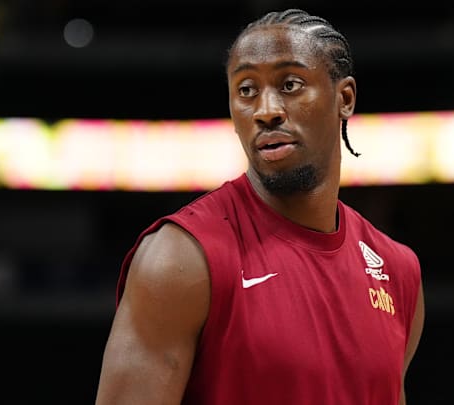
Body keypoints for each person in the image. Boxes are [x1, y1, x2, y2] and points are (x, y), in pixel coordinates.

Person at [95, 8, 425, 405]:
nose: (266, 111)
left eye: (290, 84)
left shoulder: (397, 271)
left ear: (345, 98)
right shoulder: (180, 258)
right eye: (246, 90)